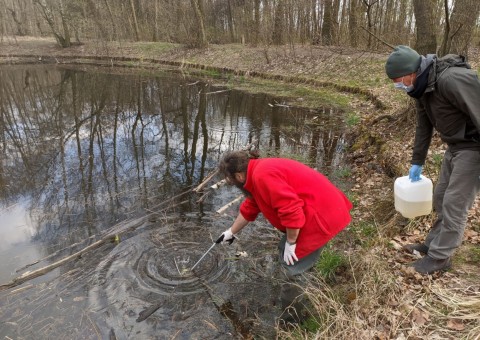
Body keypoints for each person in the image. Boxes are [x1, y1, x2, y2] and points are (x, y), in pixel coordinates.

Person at [216, 150, 352, 324]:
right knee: (285, 253)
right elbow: (251, 205)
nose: (233, 184)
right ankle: (304, 283)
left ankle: (292, 321)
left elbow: (292, 211)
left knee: (291, 268)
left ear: (239, 176)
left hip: (321, 215)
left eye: (232, 181)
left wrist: (291, 242)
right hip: (318, 209)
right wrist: (231, 232)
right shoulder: (256, 172)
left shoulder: (262, 176)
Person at [385, 45, 480, 274]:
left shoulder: (451, 79)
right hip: (455, 146)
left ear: (412, 71)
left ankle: (440, 258)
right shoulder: (420, 88)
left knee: (454, 203)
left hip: (474, 148)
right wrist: (417, 160)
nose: (398, 85)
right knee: (440, 197)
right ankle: (432, 244)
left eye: (399, 80)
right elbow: (423, 126)